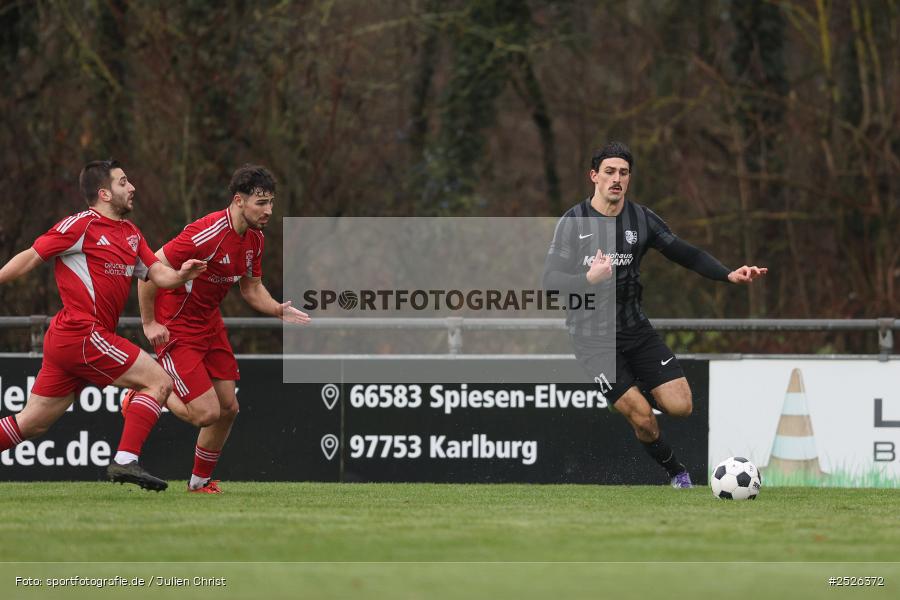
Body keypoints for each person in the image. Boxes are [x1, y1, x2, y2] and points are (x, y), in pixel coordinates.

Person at [543, 141, 766, 487]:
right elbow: (550, 283)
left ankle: (633, 388)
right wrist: (588, 279)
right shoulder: (572, 222)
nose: (617, 179)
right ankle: (677, 472)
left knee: (681, 406)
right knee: (644, 419)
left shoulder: (641, 219)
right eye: (609, 172)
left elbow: (686, 253)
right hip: (593, 340)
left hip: (636, 330)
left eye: (623, 173)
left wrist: (728, 274)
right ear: (594, 176)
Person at [0, 160, 207, 491]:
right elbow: (31, 255)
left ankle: (125, 460)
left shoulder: (131, 234)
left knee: (32, 423)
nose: (132, 187)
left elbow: (158, 275)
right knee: (159, 382)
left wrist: (181, 275)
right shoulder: (81, 225)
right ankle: (125, 460)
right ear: (104, 193)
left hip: (75, 341)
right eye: (123, 182)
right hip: (82, 332)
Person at [126, 164, 310, 494]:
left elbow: (252, 288)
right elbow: (149, 269)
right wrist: (150, 322)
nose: (269, 210)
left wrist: (276, 309)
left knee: (228, 408)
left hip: (210, 324)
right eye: (261, 203)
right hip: (177, 326)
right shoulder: (205, 233)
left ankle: (199, 483)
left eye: (271, 202)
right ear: (239, 200)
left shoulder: (255, 239)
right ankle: (146, 394)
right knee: (205, 413)